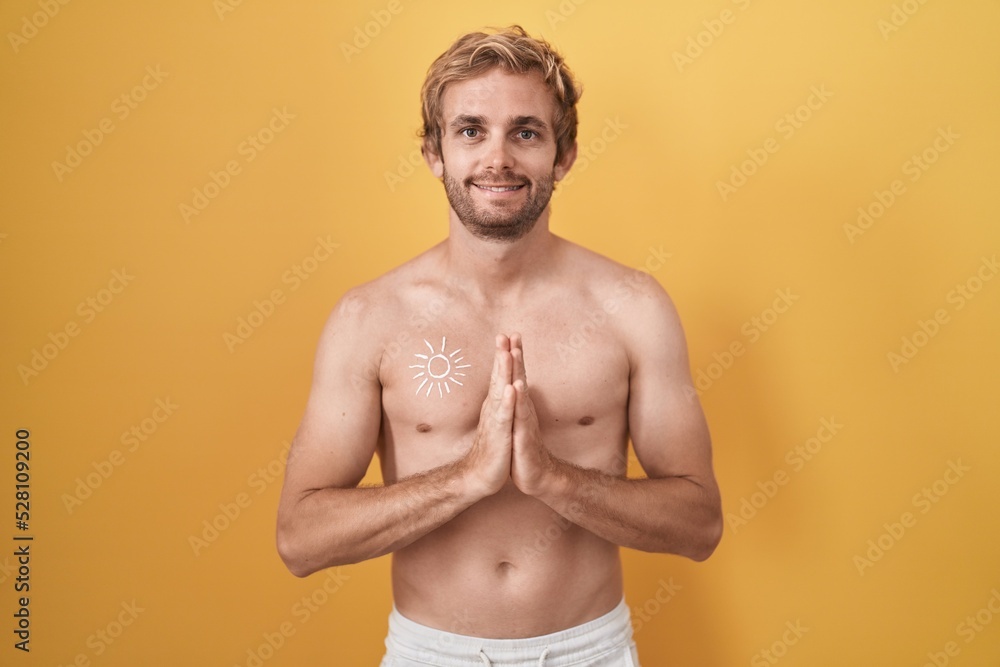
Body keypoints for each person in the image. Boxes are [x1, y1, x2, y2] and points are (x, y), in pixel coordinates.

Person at [276, 25, 722, 666]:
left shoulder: (633, 307)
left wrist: (553, 479)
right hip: (432, 653)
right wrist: (466, 478)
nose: (498, 158)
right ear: (435, 153)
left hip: (589, 651)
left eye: (526, 131)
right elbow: (300, 539)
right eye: (470, 130)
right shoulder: (370, 318)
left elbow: (700, 524)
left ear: (562, 154)